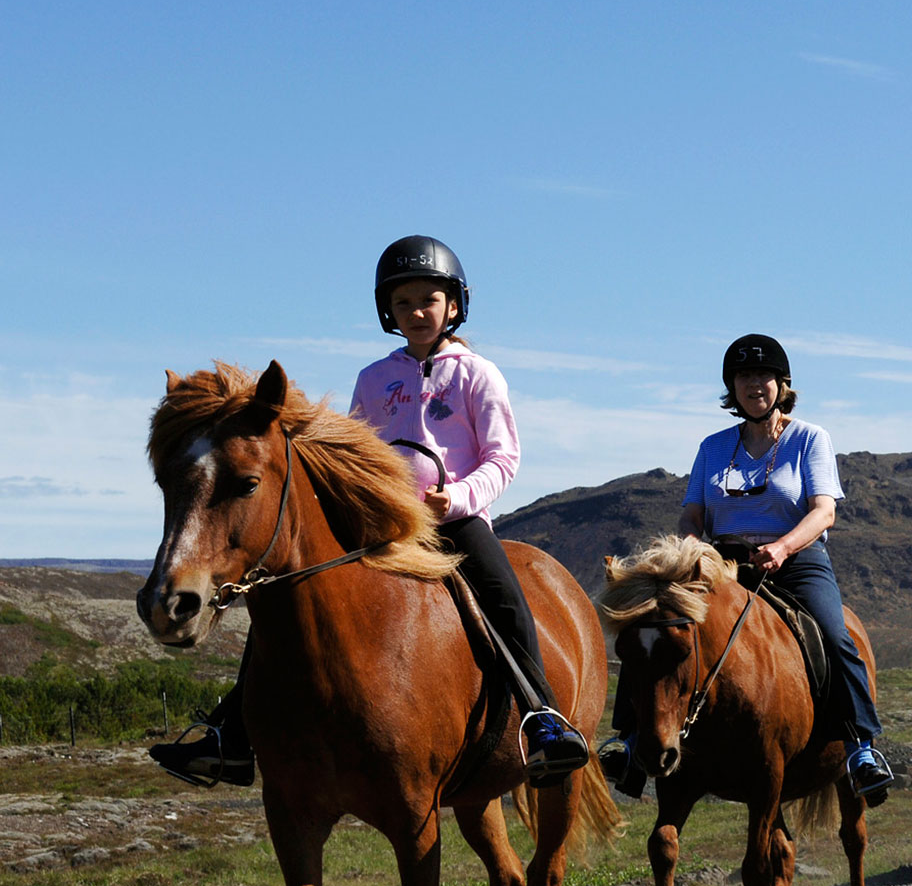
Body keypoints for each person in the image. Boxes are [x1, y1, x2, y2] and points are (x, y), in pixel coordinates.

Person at [148, 235, 592, 788]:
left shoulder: (480, 375)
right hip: (381, 523)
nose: (415, 312)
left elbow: (504, 457)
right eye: (402, 303)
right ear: (389, 312)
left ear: (453, 305)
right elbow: (353, 453)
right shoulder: (374, 378)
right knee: (278, 594)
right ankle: (230, 736)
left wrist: (456, 498)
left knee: (502, 594)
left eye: (427, 300)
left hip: (454, 521)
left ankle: (542, 716)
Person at [665, 334, 894, 800]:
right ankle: (629, 741)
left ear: (781, 384)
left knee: (834, 635)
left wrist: (785, 547)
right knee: (660, 623)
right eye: (744, 377)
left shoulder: (810, 437)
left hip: (796, 561)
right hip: (723, 562)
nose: (755, 385)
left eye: (764, 376)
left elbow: (824, 511)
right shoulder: (712, 447)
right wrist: (691, 544)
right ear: (732, 387)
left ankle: (860, 747)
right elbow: (693, 513)